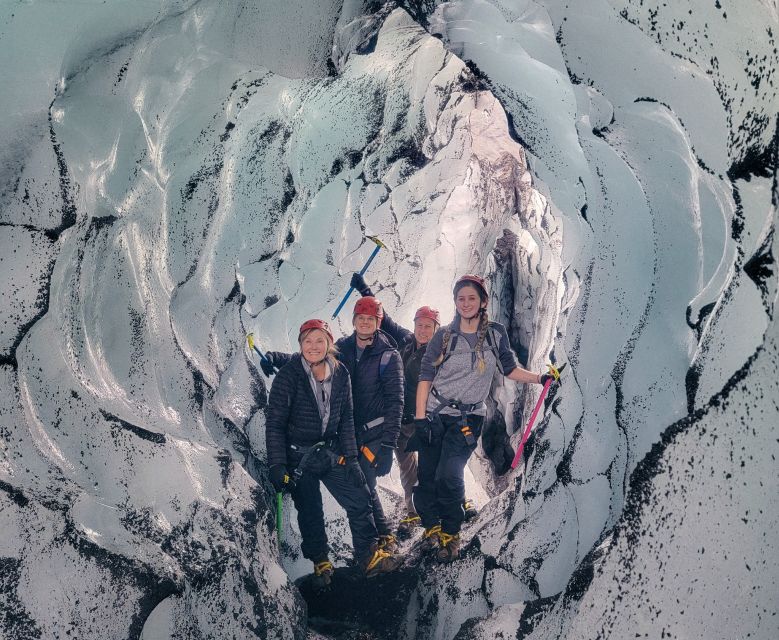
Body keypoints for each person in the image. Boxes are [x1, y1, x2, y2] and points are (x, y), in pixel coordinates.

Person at [412, 275, 558, 562]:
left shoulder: (495, 334)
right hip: (434, 414)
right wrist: (420, 419)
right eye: (461, 298)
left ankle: (451, 534)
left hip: (468, 418)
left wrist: (539, 378)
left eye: (471, 298)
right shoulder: (444, 336)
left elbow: (509, 369)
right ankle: (431, 527)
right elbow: (426, 377)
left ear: (483, 301)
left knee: (449, 474)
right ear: (455, 302)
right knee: (427, 476)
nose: (466, 303)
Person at [262, 299, 405, 555]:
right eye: (360, 317)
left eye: (370, 318)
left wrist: (387, 445)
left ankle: (379, 540)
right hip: (341, 433)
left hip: (373, 432)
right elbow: (310, 356)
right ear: (353, 320)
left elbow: (396, 402)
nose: (365, 322)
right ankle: (376, 539)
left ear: (378, 322)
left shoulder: (387, 356)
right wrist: (276, 357)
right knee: (351, 489)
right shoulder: (344, 348)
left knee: (363, 484)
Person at [349, 273, 479, 539]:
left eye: (428, 326)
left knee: (443, 463)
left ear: (436, 329)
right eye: (420, 325)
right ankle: (413, 508)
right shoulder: (406, 341)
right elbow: (382, 319)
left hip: (429, 420)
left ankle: (459, 500)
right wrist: (364, 289)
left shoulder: (441, 354)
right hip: (401, 420)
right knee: (407, 466)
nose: (423, 330)